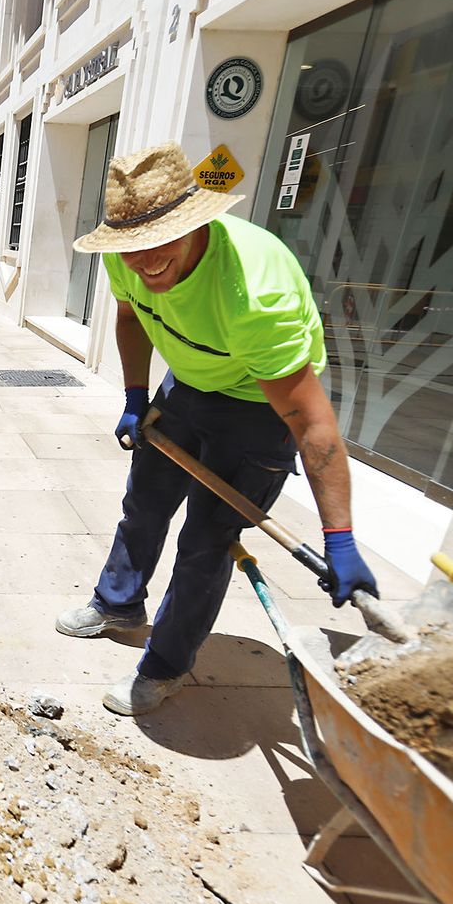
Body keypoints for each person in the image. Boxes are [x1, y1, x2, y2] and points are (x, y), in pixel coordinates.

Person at [55, 141, 378, 717]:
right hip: (186, 386)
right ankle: (118, 603)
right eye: (133, 248)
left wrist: (341, 538)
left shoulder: (255, 295)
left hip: (257, 408)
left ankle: (165, 665)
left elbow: (312, 425)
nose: (147, 261)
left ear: (196, 222)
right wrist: (134, 397)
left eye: (163, 242)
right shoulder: (124, 250)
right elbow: (132, 319)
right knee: (145, 504)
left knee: (206, 543)